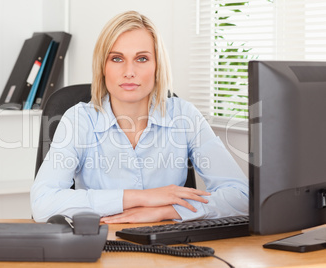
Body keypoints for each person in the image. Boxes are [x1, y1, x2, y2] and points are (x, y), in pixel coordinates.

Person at [31, 10, 249, 223]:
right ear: (103, 67)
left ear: (157, 66)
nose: (129, 71)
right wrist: (141, 198)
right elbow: (43, 203)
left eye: (142, 58)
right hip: (102, 244)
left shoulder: (184, 116)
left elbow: (242, 197)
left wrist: (167, 210)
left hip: (167, 244)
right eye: (117, 59)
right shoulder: (79, 119)